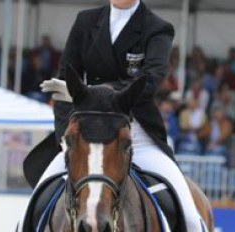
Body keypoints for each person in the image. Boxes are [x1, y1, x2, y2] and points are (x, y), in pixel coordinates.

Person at [24, 0, 204, 231]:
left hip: (136, 133)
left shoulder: (157, 27)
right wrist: (66, 138)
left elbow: (149, 80)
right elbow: (65, 81)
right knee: (30, 208)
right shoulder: (86, 21)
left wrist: (94, 94)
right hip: (84, 134)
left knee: (190, 215)